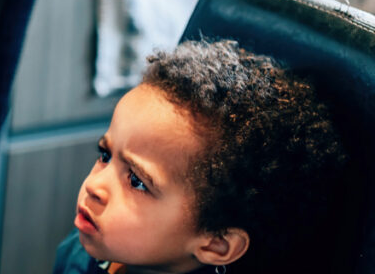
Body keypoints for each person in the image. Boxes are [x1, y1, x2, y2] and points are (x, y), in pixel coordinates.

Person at [53, 39, 348, 274]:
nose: (94, 186)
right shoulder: (82, 252)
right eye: (105, 155)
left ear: (216, 244)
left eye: (137, 181)